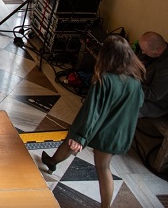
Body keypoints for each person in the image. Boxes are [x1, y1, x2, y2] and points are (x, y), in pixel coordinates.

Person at [42, 35, 145, 208]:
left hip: (105, 132)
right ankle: (52, 162)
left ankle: (105, 206)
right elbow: (139, 103)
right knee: (77, 145)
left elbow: (92, 111)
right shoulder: (135, 80)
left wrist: (80, 136)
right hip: (121, 132)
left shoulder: (104, 79)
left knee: (102, 167)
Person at [138, 32, 168, 118]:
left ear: (158, 50)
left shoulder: (165, 67)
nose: (142, 52)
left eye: (145, 51)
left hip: (152, 104)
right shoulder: (150, 49)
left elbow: (153, 94)